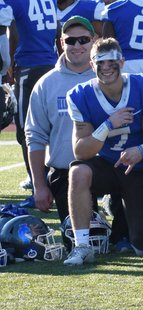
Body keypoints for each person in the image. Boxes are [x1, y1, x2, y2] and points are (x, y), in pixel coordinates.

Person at [60, 37, 143, 267]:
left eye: (111, 62)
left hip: (138, 167)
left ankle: (134, 209)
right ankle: (83, 245)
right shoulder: (79, 95)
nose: (106, 68)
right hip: (106, 164)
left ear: (122, 62)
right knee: (78, 172)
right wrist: (107, 125)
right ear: (91, 65)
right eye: (100, 63)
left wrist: (141, 150)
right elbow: (81, 151)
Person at [27, 16, 97, 224]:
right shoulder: (46, 84)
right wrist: (39, 186)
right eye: (70, 41)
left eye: (83, 40)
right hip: (65, 173)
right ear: (61, 43)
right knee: (75, 239)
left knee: (135, 243)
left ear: (94, 41)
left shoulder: (109, 76)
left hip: (108, 170)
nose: (77, 45)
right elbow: (35, 137)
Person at [0, 0, 59, 190]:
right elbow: (57, 28)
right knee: (54, 123)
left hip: (28, 66)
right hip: (52, 64)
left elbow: (11, 32)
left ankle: (37, 182)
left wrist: (11, 64)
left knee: (26, 127)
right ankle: (56, 175)